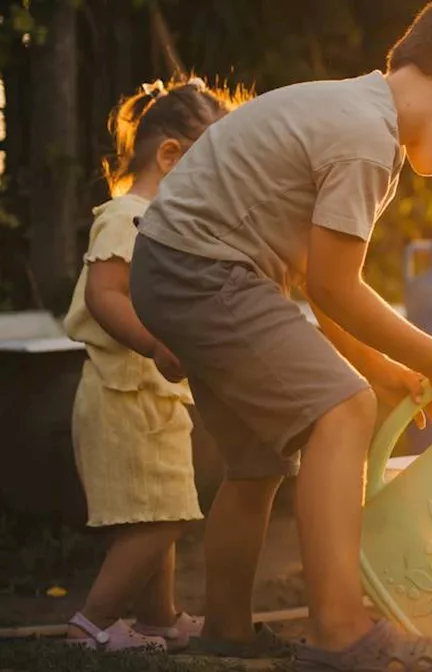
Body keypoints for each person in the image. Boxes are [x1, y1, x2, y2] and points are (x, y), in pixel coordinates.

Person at [127, 1, 432, 669]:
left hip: (179, 265)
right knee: (342, 411)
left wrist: (386, 369)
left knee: (258, 460)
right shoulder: (366, 139)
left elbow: (320, 287)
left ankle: (226, 630)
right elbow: (334, 290)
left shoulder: (349, 112)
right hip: (203, 269)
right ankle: (341, 630)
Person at [62, 76, 238, 653]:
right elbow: (104, 295)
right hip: (126, 395)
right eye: (210, 168)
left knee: (159, 510)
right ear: (170, 155)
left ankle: (158, 617)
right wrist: (156, 346)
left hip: (150, 399)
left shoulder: (157, 224)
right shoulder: (126, 216)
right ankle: (93, 623)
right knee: (161, 516)